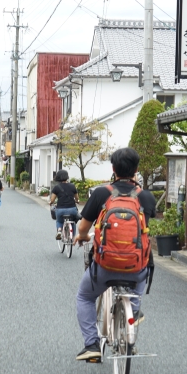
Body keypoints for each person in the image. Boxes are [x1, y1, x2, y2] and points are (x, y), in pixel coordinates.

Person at [73, 148, 156, 362]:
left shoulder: (102, 193)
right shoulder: (146, 197)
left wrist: (82, 236)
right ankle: (134, 313)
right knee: (139, 279)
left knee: (84, 296)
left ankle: (91, 344)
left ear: (113, 169)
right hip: (136, 267)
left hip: (105, 266)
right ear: (136, 170)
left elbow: (83, 227)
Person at [49, 170, 79, 240]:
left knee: (59, 221)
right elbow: (77, 198)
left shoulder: (56, 187)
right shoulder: (72, 186)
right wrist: (77, 201)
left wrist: (50, 203)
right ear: (67, 177)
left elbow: (52, 200)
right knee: (73, 221)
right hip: (72, 209)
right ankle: (73, 236)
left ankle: (59, 230)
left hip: (60, 210)